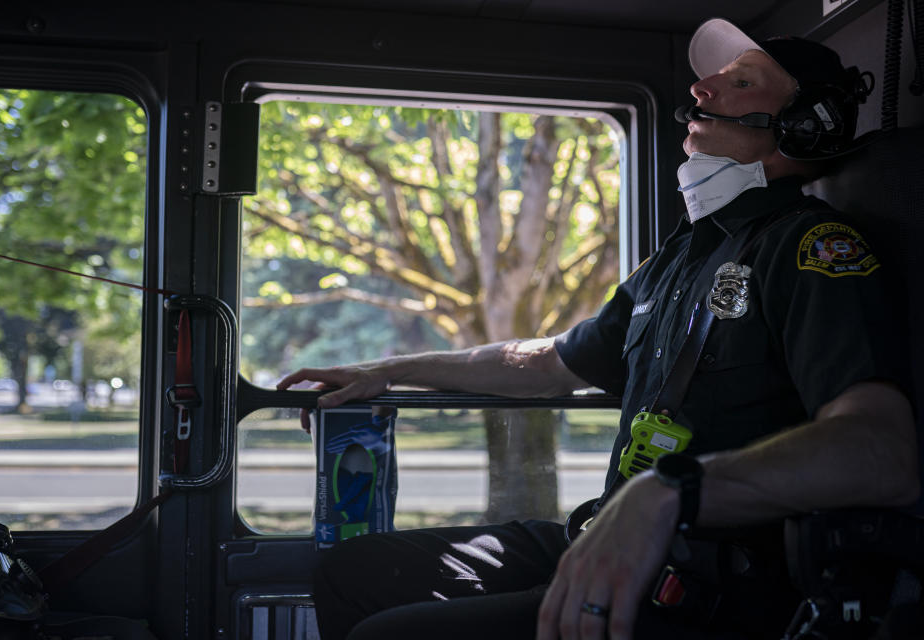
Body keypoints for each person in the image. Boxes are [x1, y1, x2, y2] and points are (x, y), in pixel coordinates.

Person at [277, 18, 919, 640]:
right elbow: (546, 361)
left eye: (742, 82)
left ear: (804, 127)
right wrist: (389, 370)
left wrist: (674, 492)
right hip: (607, 532)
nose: (701, 90)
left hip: (705, 583)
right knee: (351, 575)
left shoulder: (812, 250)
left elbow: (881, 452)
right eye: (712, 79)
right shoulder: (678, 257)